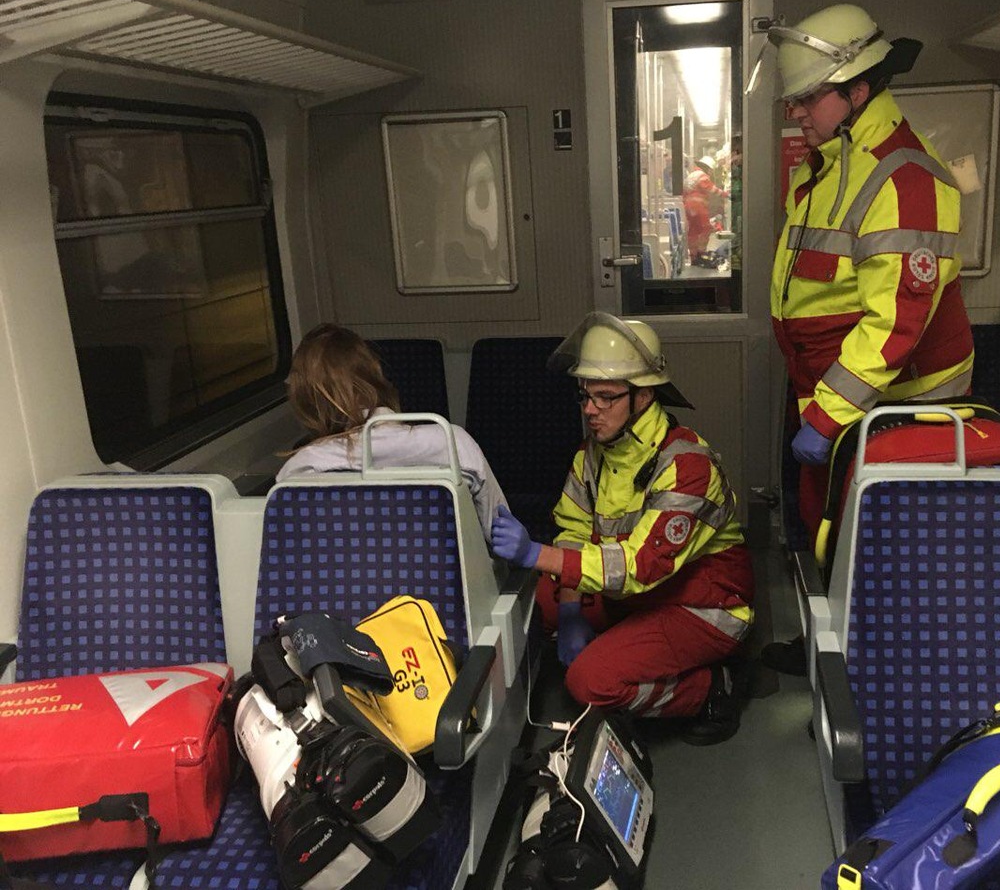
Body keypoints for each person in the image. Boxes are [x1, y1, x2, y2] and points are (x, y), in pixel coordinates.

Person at [761, 4, 974, 675]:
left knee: (880, 548)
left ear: (858, 91)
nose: (795, 112)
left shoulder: (904, 176)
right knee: (822, 530)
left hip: (891, 403)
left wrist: (825, 417)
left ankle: (879, 674)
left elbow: (894, 327)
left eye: (805, 99)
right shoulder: (826, 164)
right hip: (829, 388)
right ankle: (832, 649)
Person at [490, 313, 754, 745]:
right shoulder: (593, 453)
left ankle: (710, 689)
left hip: (705, 606)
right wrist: (572, 611)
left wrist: (537, 555)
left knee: (589, 683)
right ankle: (625, 646)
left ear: (644, 396)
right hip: (639, 594)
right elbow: (573, 529)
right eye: (585, 396)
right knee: (539, 602)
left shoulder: (688, 466)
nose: (590, 410)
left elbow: (641, 566)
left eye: (606, 397)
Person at [278, 323, 507, 538]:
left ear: (305, 401)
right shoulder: (452, 443)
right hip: (451, 580)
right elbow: (499, 530)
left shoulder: (302, 469)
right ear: (377, 379)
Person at [682, 155, 728, 265]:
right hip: (698, 207)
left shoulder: (692, 175)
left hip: (688, 207)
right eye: (711, 170)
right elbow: (712, 189)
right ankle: (701, 253)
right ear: (707, 168)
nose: (711, 173)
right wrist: (726, 194)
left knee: (693, 231)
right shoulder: (702, 176)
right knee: (705, 229)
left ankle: (693, 256)